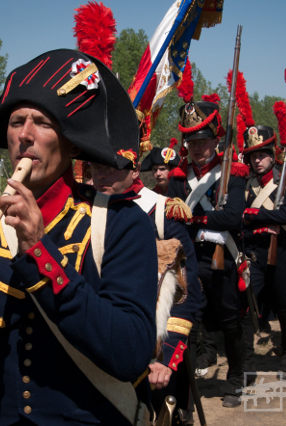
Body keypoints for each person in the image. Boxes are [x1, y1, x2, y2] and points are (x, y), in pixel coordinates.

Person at [0, 49, 158, 425]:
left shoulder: (121, 223)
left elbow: (129, 351)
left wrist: (40, 251)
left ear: (71, 142)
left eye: (42, 123)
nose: (25, 136)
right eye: (17, 121)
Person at [90, 160, 204, 424]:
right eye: (97, 168)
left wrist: (168, 352)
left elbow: (186, 293)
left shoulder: (162, 211)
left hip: (156, 350)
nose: (103, 176)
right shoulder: (82, 210)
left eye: (113, 168)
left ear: (134, 171)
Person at [168, 93, 250, 408]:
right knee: (188, 323)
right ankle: (185, 385)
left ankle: (235, 380)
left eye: (202, 141)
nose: (197, 147)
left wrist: (197, 218)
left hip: (223, 258)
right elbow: (171, 215)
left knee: (230, 323)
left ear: (214, 139)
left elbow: (233, 217)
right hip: (190, 260)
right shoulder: (178, 176)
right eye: (191, 141)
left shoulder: (234, 172)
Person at [241, 124, 286, 379]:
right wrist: (260, 224)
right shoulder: (245, 184)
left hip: (282, 252)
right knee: (247, 305)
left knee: (285, 305)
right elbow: (240, 219)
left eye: (262, 154)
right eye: (254, 155)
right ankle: (244, 358)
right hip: (254, 252)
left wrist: (255, 214)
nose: (258, 160)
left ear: (272, 155)